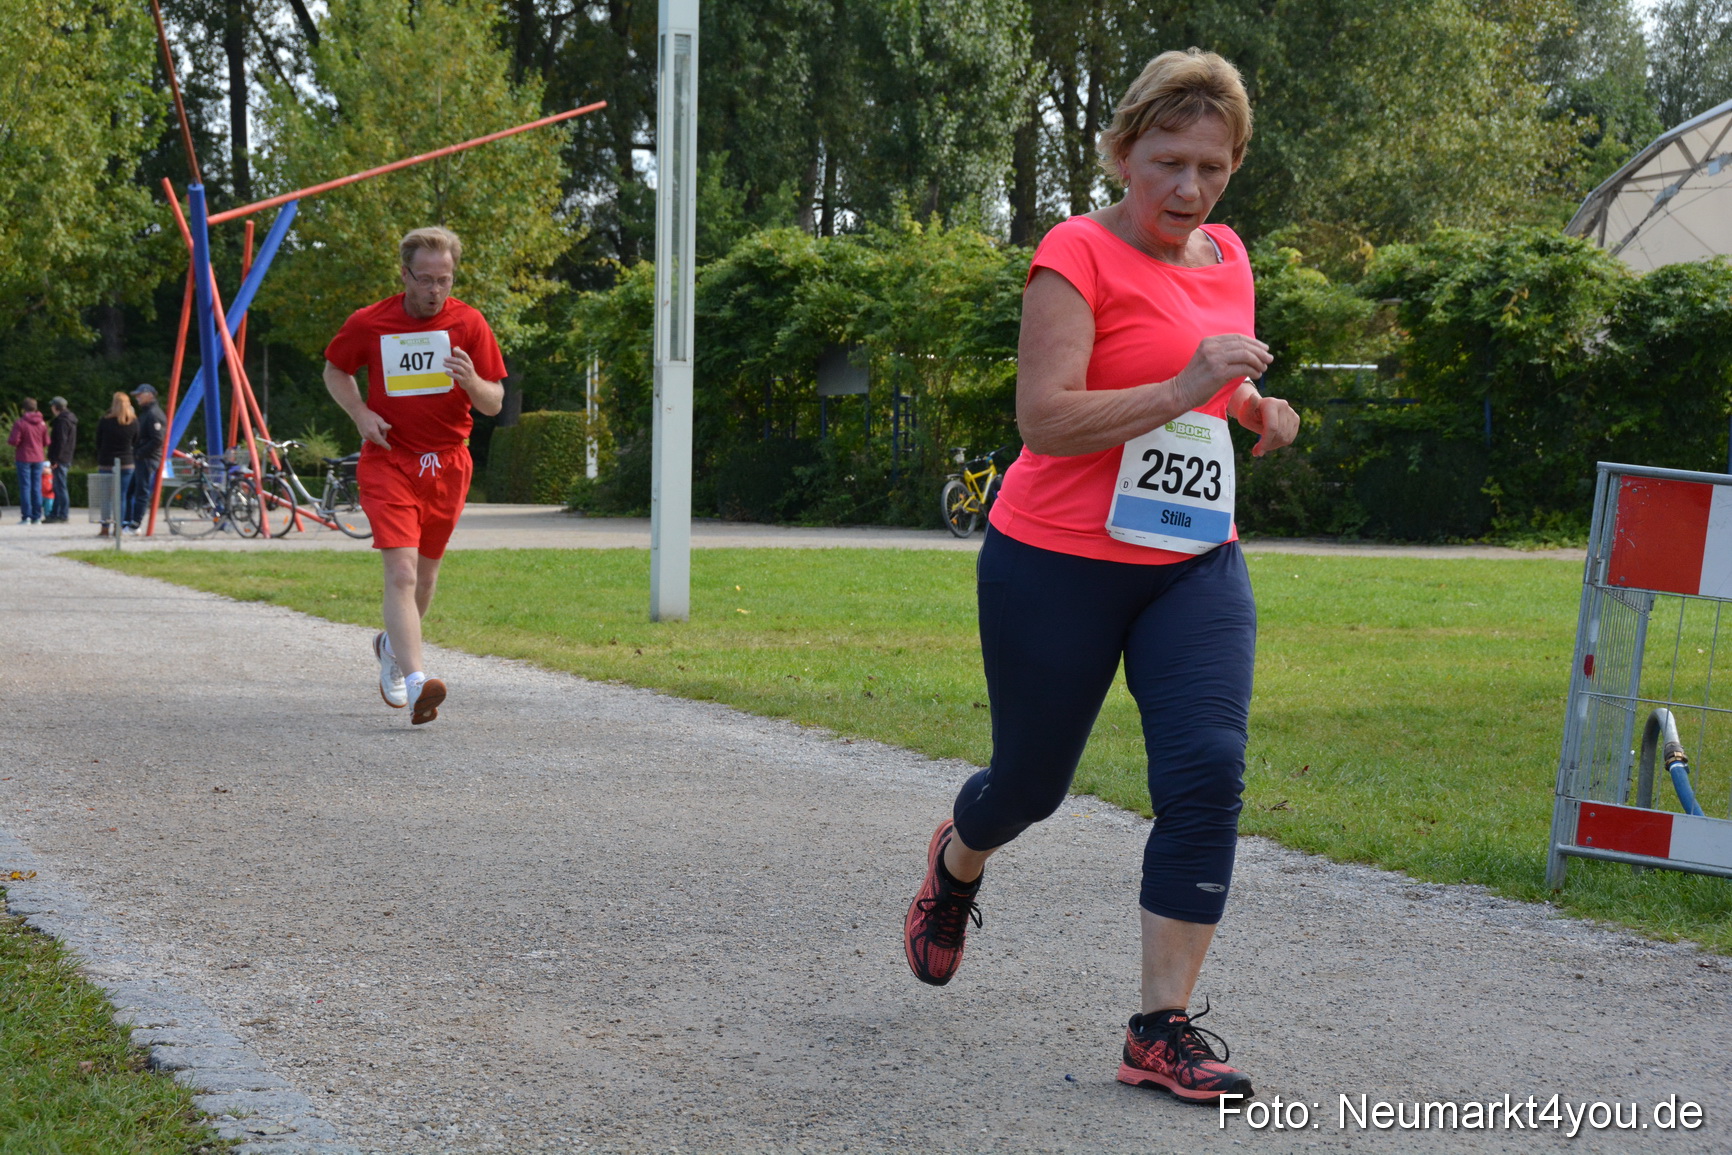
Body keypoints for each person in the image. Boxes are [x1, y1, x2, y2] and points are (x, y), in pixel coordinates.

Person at [901, 49, 1299, 1104]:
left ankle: (1159, 1029)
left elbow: (1211, 391)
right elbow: (1045, 418)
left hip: (1192, 561)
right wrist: (1184, 387)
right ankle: (957, 862)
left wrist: (1255, 411)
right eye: (1167, 161)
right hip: (1055, 563)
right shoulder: (1073, 253)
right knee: (1029, 786)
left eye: (1212, 167)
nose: (1189, 189)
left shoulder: (1227, 256)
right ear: (1121, 154)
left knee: (1208, 771)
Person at [322, 226, 506, 725]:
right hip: (389, 459)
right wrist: (360, 413)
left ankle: (390, 648)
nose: (434, 290)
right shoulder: (370, 322)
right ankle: (419, 678)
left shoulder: (469, 323)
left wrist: (472, 382)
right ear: (404, 273)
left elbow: (495, 402)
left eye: (443, 280)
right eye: (424, 279)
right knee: (401, 573)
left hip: (448, 464)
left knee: (425, 578)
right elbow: (335, 370)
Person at [124, 384, 167, 533]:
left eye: (139, 394)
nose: (137, 398)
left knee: (141, 492)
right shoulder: (147, 413)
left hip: (148, 458)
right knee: (130, 492)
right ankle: (127, 522)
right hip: (143, 457)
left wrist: (140, 452)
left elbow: (158, 440)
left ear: (149, 395)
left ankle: (135, 524)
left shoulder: (154, 414)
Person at [93, 392, 138, 538]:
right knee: (122, 496)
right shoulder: (133, 422)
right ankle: (118, 528)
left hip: (106, 462)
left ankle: (104, 528)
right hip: (126, 464)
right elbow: (136, 442)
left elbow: (98, 442)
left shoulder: (105, 421)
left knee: (105, 497)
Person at [7, 398, 50, 524]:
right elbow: (46, 442)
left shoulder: (20, 423)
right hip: (38, 458)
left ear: (23, 409)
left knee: (25, 487)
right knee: (36, 487)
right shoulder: (42, 423)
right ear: (36, 408)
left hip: (24, 457)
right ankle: (37, 517)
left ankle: (26, 517)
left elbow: (14, 441)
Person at [45, 397, 77, 523]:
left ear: (55, 407)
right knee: (58, 486)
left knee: (60, 487)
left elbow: (60, 441)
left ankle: (62, 514)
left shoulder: (62, 421)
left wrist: (54, 459)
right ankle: (55, 513)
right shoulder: (70, 419)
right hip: (66, 456)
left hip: (61, 458)